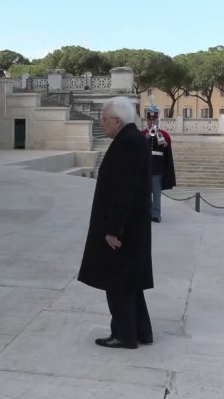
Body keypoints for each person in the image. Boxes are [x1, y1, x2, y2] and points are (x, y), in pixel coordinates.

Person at [78, 96, 153, 349]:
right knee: (130, 282)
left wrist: (112, 229)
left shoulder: (128, 144)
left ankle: (124, 334)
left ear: (117, 121)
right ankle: (141, 331)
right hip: (132, 227)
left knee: (118, 281)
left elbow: (124, 191)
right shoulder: (131, 139)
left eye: (105, 119)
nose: (102, 123)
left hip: (124, 230)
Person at [141, 106, 176, 223]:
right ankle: (146, 213)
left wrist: (157, 133)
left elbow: (165, 147)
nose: (151, 121)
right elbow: (137, 148)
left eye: (154, 119)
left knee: (156, 194)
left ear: (157, 120)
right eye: (150, 120)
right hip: (145, 168)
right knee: (145, 193)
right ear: (147, 120)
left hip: (157, 168)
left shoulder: (163, 135)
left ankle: (155, 214)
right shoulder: (142, 134)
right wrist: (144, 138)